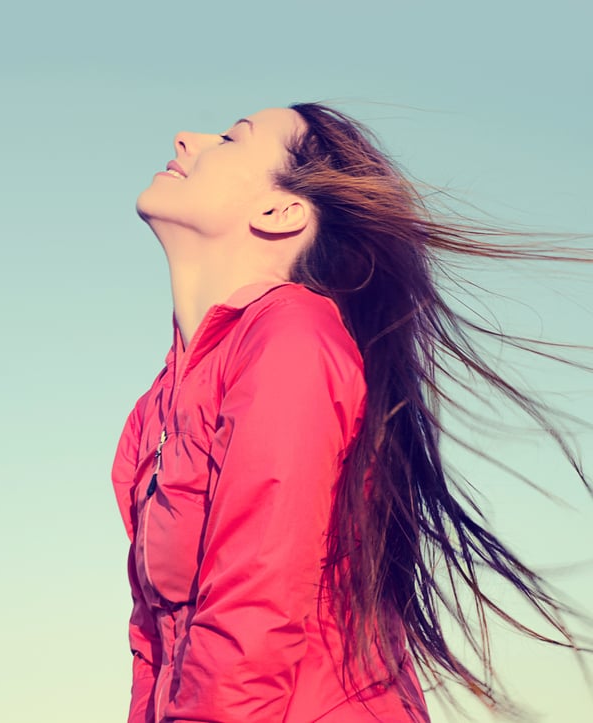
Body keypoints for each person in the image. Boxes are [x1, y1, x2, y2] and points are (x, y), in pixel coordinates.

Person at [110, 104, 588, 722]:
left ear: (280, 212)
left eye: (231, 139)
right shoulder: (158, 403)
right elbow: (155, 637)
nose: (186, 137)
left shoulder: (291, 338)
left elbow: (254, 604)